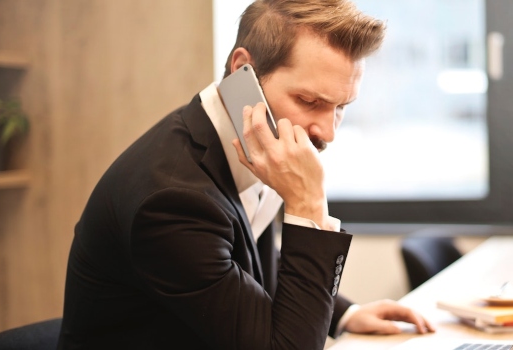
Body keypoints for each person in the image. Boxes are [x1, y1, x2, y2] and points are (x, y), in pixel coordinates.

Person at [57, 1, 434, 349]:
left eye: (340, 107)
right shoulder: (171, 201)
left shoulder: (249, 144)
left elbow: (249, 267)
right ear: (243, 72)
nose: (327, 132)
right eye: (309, 101)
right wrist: (309, 205)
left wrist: (344, 314)